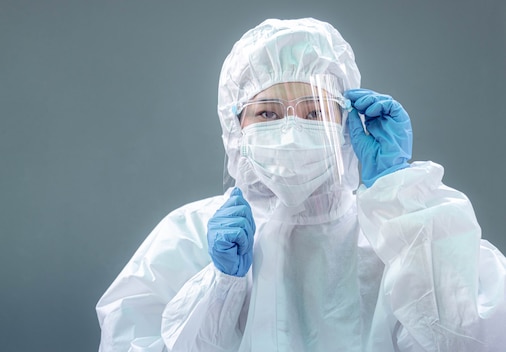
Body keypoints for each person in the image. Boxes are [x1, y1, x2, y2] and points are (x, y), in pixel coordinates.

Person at [96, 18, 506, 352]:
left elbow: (471, 337)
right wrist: (220, 287)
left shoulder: (398, 236)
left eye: (314, 111)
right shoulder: (186, 237)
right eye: (269, 114)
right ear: (235, 127)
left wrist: (398, 193)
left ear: (346, 124)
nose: (291, 132)